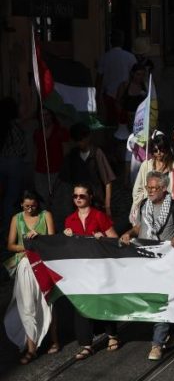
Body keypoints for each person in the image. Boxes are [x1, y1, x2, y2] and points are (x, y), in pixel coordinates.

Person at [119, 172, 174, 360]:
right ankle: (171, 329)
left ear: (164, 189)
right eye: (148, 187)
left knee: (162, 300)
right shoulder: (144, 205)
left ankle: (157, 344)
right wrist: (128, 233)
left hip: (165, 261)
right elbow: (138, 228)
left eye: (154, 188)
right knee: (148, 299)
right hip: (145, 260)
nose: (150, 191)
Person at [63, 184, 119, 360]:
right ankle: (86, 344)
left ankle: (112, 335)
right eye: (75, 196)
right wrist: (66, 237)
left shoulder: (99, 216)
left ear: (90, 197)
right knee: (81, 303)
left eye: (82, 196)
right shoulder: (69, 220)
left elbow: (115, 240)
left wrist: (102, 239)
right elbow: (66, 249)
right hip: (81, 270)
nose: (78, 199)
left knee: (104, 300)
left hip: (100, 268)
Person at [6, 190, 58, 363]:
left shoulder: (46, 215)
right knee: (27, 305)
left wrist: (39, 239)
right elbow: (10, 245)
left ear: (38, 203)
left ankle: (54, 340)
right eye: (27, 206)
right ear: (21, 204)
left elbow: (52, 240)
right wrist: (27, 247)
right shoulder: (16, 218)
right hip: (25, 265)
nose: (30, 209)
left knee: (47, 301)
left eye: (33, 205)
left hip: (43, 264)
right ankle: (31, 348)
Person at [59, 123, 116, 217]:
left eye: (81, 140)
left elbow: (108, 182)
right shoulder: (73, 155)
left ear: (88, 137)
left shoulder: (97, 153)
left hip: (96, 202)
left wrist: (107, 206)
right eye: (77, 141)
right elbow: (66, 179)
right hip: (79, 203)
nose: (80, 143)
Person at [130, 134, 174, 224]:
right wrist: (145, 201)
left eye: (161, 150)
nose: (158, 153)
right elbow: (137, 189)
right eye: (155, 150)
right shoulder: (146, 165)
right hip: (147, 208)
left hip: (167, 209)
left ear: (167, 149)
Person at [96, 31, 137, 125]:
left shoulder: (104, 57)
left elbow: (99, 79)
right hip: (125, 96)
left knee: (111, 122)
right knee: (125, 122)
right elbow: (135, 78)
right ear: (122, 42)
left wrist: (97, 97)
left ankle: (110, 138)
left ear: (111, 42)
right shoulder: (130, 57)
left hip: (109, 96)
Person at [32, 108, 69, 209]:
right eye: (42, 115)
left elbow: (66, 151)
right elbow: (35, 151)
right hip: (40, 171)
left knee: (58, 200)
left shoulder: (61, 131)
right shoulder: (37, 133)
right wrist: (34, 169)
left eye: (47, 114)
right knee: (42, 200)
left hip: (56, 171)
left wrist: (64, 170)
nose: (44, 117)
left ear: (51, 115)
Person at [0, 98, 26, 231]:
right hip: (15, 162)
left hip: (1, 161)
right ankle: (7, 227)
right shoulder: (17, 125)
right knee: (12, 197)